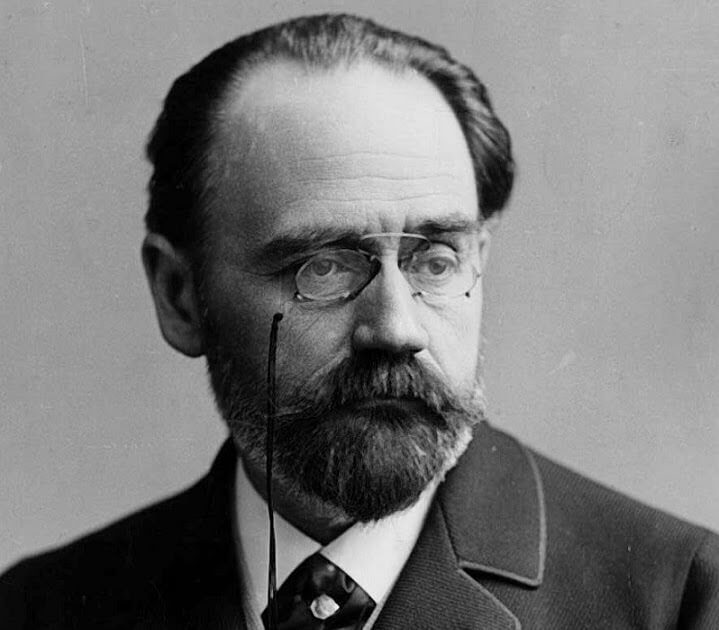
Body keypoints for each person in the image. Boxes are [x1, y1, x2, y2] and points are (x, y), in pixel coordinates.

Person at [1, 13, 717, 630]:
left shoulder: (680, 601)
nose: (397, 329)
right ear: (179, 296)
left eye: (435, 260)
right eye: (322, 268)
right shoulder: (39, 609)